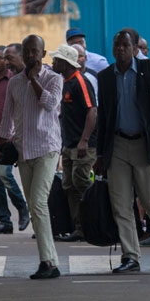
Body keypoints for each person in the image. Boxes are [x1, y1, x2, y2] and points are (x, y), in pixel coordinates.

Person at [94, 28, 150, 273]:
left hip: (146, 143)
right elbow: (104, 119)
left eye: (125, 45)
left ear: (134, 49)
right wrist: (100, 154)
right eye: (116, 45)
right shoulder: (105, 77)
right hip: (118, 145)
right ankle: (130, 257)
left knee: (149, 197)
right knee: (120, 204)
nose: (120, 49)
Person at [0, 34, 63, 279]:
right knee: (35, 208)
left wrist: (34, 80)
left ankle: (50, 262)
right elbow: (8, 116)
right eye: (26, 51)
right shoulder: (14, 83)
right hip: (23, 151)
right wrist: (1, 142)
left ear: (43, 54)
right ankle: (46, 261)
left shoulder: (54, 78)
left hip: (47, 149)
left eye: (35, 51)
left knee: (37, 204)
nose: (30, 55)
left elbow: (49, 104)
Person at [50, 43, 97, 242]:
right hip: (69, 145)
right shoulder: (64, 82)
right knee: (69, 185)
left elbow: (92, 111)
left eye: (57, 60)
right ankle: (79, 228)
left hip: (82, 145)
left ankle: (92, 225)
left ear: (65, 63)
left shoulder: (80, 82)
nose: (53, 62)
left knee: (82, 183)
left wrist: (84, 140)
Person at [0, 46, 30, 235]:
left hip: (8, 140)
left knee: (5, 175)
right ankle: (4, 221)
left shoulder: (15, 81)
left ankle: (23, 208)